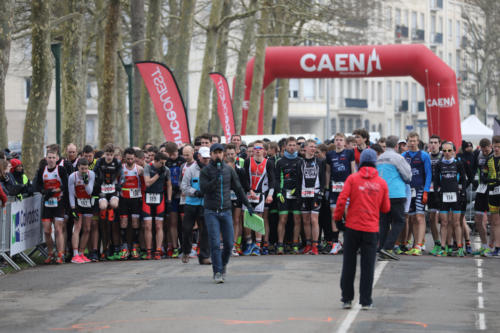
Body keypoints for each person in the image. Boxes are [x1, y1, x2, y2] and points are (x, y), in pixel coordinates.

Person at [334, 149, 390, 309]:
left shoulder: (353, 179)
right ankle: (365, 301)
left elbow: (341, 200)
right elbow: (386, 208)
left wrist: (338, 220)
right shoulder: (381, 182)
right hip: (371, 228)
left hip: (352, 227)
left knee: (349, 264)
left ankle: (347, 298)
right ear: (375, 162)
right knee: (368, 266)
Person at [200, 143, 253, 283]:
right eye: (215, 153)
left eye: (220, 152)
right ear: (211, 154)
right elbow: (204, 190)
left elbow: (238, 188)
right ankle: (217, 272)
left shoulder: (229, 170)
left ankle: (222, 265)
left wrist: (248, 205)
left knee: (229, 244)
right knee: (215, 244)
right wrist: (215, 179)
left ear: (223, 154)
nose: (218, 155)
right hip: (211, 211)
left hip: (226, 211)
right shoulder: (205, 171)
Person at [376, 136, 412, 260]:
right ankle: (388, 247)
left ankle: (382, 248)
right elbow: (408, 176)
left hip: (382, 194)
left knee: (384, 223)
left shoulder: (380, 158)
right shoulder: (398, 157)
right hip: (396, 193)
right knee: (399, 221)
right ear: (396, 146)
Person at [34, 150, 69, 264]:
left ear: (57, 158)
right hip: (47, 203)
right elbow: (37, 185)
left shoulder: (61, 170)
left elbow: (65, 185)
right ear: (46, 158)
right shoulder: (41, 170)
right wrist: (44, 191)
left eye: (54, 157)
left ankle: (60, 254)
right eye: (49, 157)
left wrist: (54, 190)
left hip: (58, 203)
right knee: (47, 230)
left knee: (58, 230)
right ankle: (50, 253)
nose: (51, 159)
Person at [434, 141, 467, 257]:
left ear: (453, 151)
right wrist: (437, 195)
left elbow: (463, 179)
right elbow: (436, 181)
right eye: (444, 151)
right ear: (442, 152)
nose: (447, 153)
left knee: (456, 222)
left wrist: (462, 192)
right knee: (444, 222)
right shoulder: (439, 164)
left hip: (455, 196)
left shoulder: (458, 164)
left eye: (449, 151)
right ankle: (443, 247)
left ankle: (459, 247)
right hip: (443, 196)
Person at [242, 140, 275, 256]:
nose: (257, 150)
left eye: (260, 148)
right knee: (247, 219)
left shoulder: (268, 163)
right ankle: (249, 243)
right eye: (255, 148)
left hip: (260, 195)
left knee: (258, 219)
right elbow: (244, 178)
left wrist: (270, 194)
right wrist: (249, 190)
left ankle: (258, 246)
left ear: (264, 151)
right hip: (248, 194)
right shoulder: (247, 162)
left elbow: (272, 181)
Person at [325, 133, 355, 255]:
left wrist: (353, 186)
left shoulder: (349, 153)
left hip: (346, 188)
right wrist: (327, 187)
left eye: (341, 140)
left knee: (347, 214)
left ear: (344, 142)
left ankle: (349, 242)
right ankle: (335, 243)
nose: (338, 142)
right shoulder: (330, 154)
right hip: (334, 188)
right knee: (334, 215)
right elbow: (327, 172)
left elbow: (353, 170)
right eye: (336, 140)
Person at [402, 132, 432, 256]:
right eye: (410, 141)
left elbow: (428, 174)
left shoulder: (424, 155)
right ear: (407, 142)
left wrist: (426, 190)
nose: (412, 143)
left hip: (420, 189)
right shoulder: (404, 155)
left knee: (420, 217)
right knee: (412, 217)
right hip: (408, 190)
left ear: (418, 142)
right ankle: (415, 244)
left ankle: (419, 245)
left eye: (414, 141)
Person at [180, 146, 211, 264]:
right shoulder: (190, 169)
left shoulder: (212, 169)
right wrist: (195, 192)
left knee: (205, 230)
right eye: (204, 158)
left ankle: (204, 256)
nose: (206, 160)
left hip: (206, 204)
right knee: (187, 229)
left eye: (208, 158)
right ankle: (186, 252)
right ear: (198, 157)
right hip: (191, 204)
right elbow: (184, 186)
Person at [94, 144, 122, 261]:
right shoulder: (100, 162)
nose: (109, 157)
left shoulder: (116, 163)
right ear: (104, 154)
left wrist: (118, 188)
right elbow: (94, 175)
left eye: (111, 155)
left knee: (114, 204)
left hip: (113, 191)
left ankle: (110, 213)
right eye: (107, 154)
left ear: (113, 155)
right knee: (103, 206)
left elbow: (121, 177)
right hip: (103, 191)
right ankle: (106, 214)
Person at [275, 137, 303, 255]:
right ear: (285, 147)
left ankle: (295, 244)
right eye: (290, 145)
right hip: (284, 194)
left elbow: (302, 178)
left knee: (297, 219)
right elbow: (276, 179)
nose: (292, 147)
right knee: (283, 219)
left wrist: (298, 189)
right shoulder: (280, 161)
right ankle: (280, 245)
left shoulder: (300, 161)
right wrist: (278, 192)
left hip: (296, 194)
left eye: (294, 145)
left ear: (297, 146)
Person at [298, 139, 325, 255]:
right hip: (304, 194)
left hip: (315, 194)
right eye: (311, 146)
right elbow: (298, 179)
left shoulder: (320, 161)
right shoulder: (300, 162)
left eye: (314, 147)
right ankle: (308, 244)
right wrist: (299, 194)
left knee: (314, 220)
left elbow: (323, 178)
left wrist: (321, 193)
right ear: (305, 149)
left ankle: (315, 245)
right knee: (306, 220)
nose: (313, 148)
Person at [143, 152, 172, 260]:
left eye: (165, 163)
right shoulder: (148, 167)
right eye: (161, 163)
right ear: (156, 161)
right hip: (148, 197)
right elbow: (147, 183)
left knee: (159, 225)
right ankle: (149, 250)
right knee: (147, 226)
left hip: (160, 197)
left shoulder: (166, 170)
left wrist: (169, 199)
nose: (163, 165)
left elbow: (169, 185)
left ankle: (158, 250)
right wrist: (158, 174)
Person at [68, 158, 96, 264]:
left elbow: (90, 191)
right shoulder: (72, 177)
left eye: (86, 168)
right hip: (77, 202)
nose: (84, 171)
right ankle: (75, 254)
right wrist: (73, 208)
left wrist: (86, 182)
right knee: (77, 227)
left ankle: (81, 253)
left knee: (87, 229)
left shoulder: (91, 174)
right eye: (82, 168)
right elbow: (71, 193)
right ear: (78, 167)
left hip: (87, 202)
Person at [118, 148, 144, 260]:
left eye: (132, 159)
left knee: (135, 223)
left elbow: (143, 184)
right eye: (128, 159)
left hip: (136, 199)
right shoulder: (120, 168)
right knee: (123, 223)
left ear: (135, 158)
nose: (130, 160)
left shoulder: (139, 169)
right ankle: (124, 247)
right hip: (123, 199)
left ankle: (134, 246)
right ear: (124, 158)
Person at [472, 138, 493, 256]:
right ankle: (484, 245)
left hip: (491, 191)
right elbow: (474, 168)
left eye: (487, 150)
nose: (485, 152)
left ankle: (492, 246)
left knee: (492, 221)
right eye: (483, 151)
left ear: (490, 146)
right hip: (481, 189)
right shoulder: (479, 155)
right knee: (478, 219)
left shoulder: (494, 156)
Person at [486, 135, 500, 257]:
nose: (496, 149)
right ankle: (497, 247)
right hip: (493, 194)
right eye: (495, 147)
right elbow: (485, 174)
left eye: (499, 147)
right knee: (495, 222)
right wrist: (488, 182)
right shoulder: (489, 160)